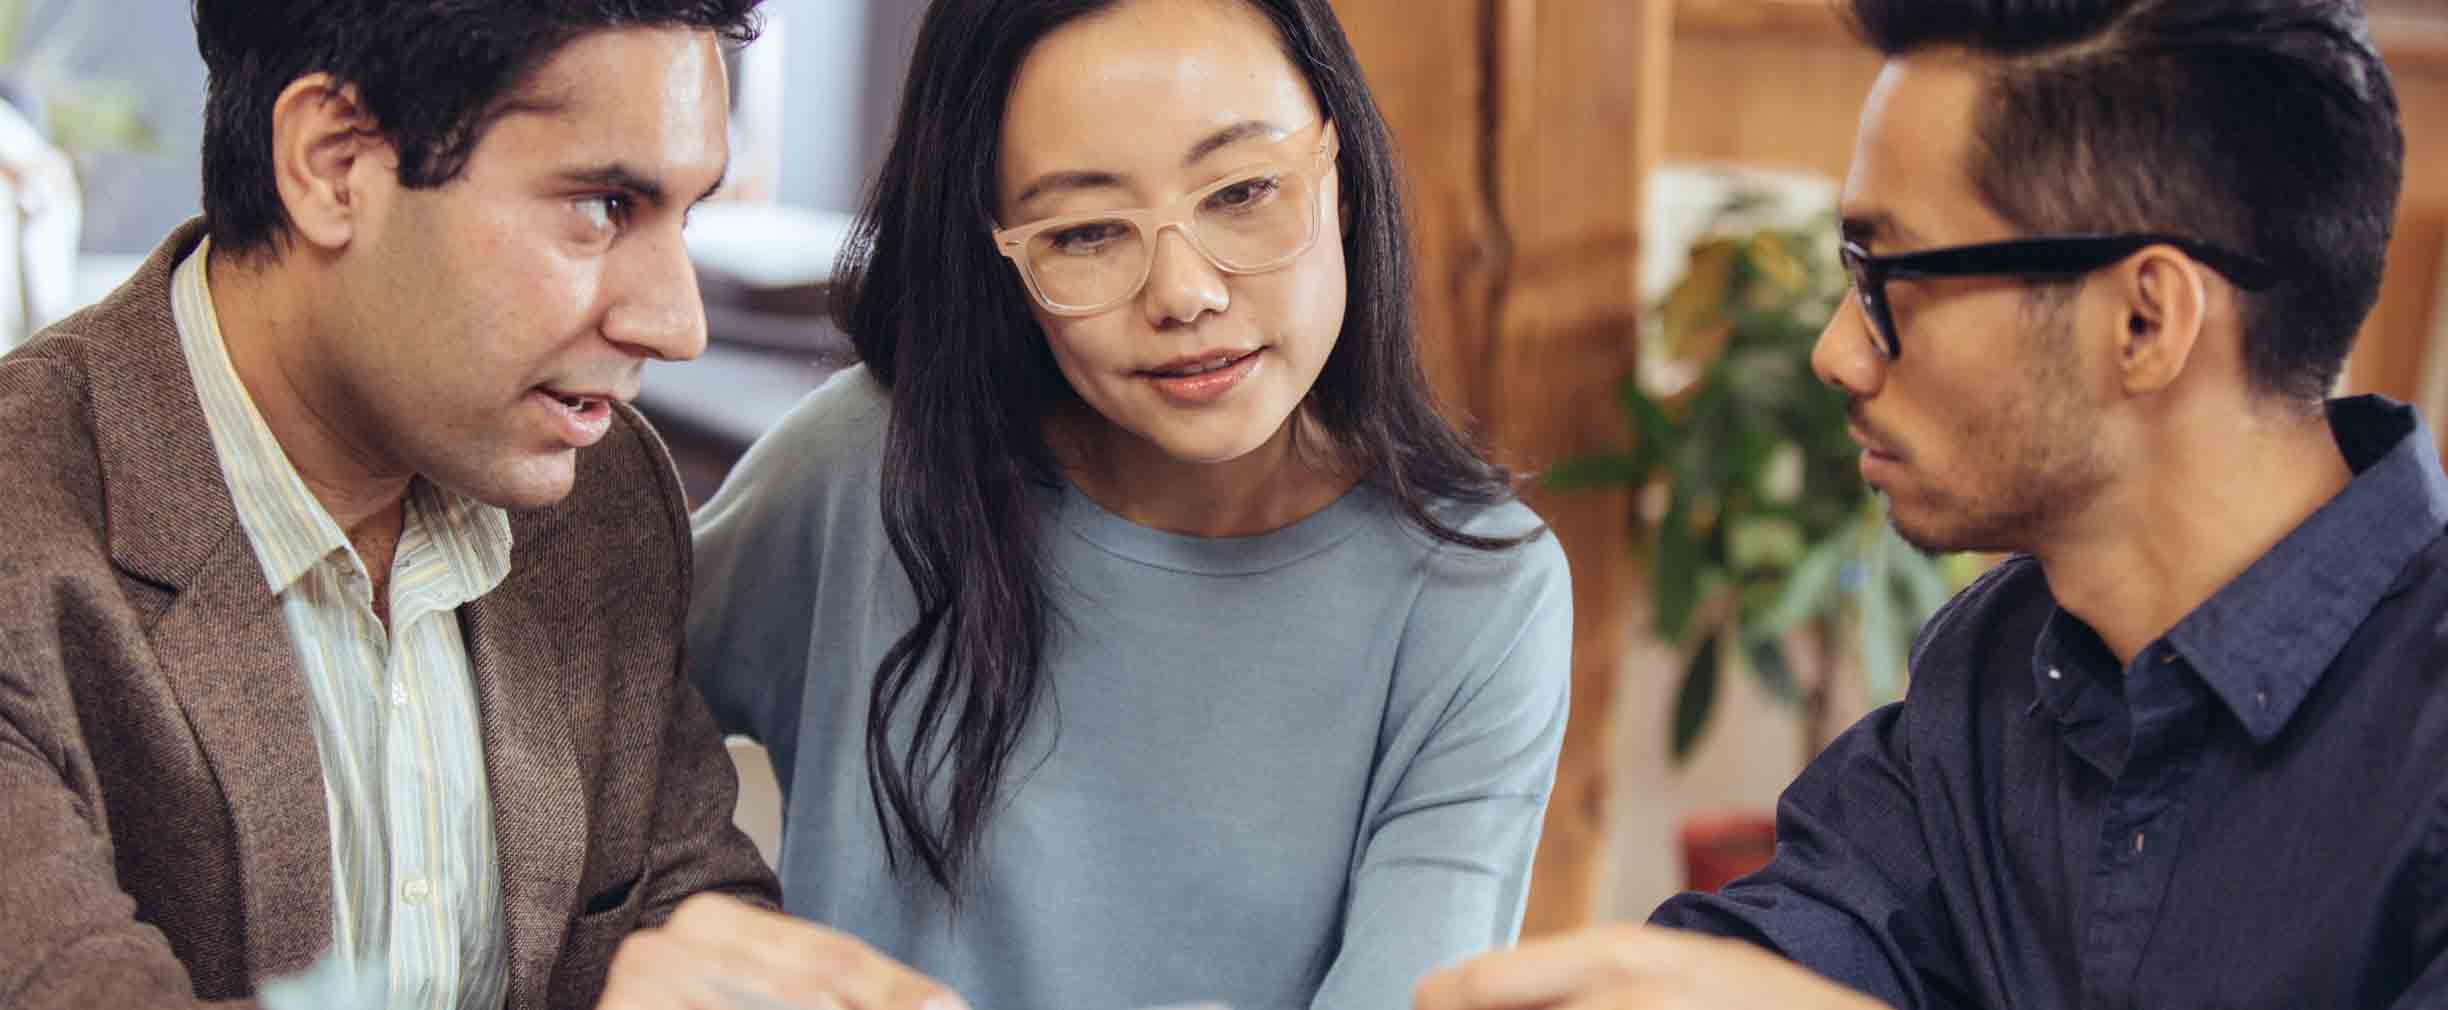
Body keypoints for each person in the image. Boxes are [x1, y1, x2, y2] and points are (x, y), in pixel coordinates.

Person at [1414, 0, 2438, 1007]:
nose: (1837, 351)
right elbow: (1771, 956)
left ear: (2143, 317)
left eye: (1888, 277)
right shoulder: (1998, 667)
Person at [0, 4, 956, 1010]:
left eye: (686, 215)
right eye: (601, 205)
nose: (678, 324)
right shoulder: (27, 547)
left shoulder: (604, 497)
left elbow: (683, 909)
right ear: (335, 164)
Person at [686, 0, 1574, 1008]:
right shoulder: (866, 465)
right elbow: (556, 729)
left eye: (1242, 189)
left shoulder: (1475, 589)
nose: (1184, 291)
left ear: (1342, 170)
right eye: (1087, 231)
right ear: (1001, 256)